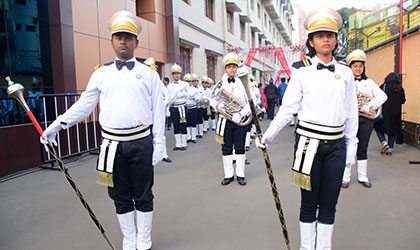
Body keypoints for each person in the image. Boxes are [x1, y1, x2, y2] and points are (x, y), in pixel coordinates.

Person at [40, 10, 165, 250]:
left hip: (141, 142)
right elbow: (84, 107)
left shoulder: (149, 75)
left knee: (144, 194)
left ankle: (144, 240)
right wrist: (55, 126)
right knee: (119, 196)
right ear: (112, 41)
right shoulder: (101, 73)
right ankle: (129, 240)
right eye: (118, 37)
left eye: (128, 37)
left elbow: (159, 112)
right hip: (111, 146)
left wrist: (159, 144)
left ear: (136, 42)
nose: (123, 42)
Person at [256, 8, 358, 250]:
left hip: (335, 146)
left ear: (335, 39)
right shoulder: (301, 72)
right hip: (307, 145)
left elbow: (351, 113)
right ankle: (306, 247)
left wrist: (351, 151)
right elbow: (288, 108)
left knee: (329, 203)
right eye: (319, 35)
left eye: (330, 35)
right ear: (311, 41)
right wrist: (268, 135)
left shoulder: (345, 73)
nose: (326, 39)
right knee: (309, 202)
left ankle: (323, 247)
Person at [341, 49, 387, 189]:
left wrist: (370, 105)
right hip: (348, 120)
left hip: (365, 119)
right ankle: (345, 177)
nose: (358, 69)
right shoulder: (344, 82)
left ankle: (363, 176)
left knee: (363, 147)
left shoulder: (370, 82)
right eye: (355, 66)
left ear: (363, 67)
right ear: (350, 68)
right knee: (348, 146)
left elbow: (383, 96)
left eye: (360, 66)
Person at [210, 53, 251, 186]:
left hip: (240, 119)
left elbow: (252, 102)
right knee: (226, 148)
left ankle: (240, 174)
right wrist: (220, 108)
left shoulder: (244, 83)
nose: (232, 69)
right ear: (225, 69)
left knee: (240, 147)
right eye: (229, 67)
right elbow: (212, 100)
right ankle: (228, 174)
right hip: (225, 120)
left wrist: (241, 114)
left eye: (234, 67)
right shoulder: (220, 84)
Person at [145, 58, 172, 163]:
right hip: (147, 113)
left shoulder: (158, 82)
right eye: (149, 68)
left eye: (153, 68)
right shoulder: (143, 81)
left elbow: (166, 94)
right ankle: (150, 155)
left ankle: (163, 154)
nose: (152, 71)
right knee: (148, 135)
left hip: (157, 113)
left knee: (161, 133)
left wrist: (162, 105)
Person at [374, 72, 406, 155]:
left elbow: (377, 98)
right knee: (393, 131)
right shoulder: (400, 88)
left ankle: (384, 143)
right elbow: (403, 100)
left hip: (384, 113)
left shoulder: (383, 86)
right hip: (396, 114)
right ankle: (390, 149)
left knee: (378, 128)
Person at [167, 64, 190, 150]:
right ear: (172, 75)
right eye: (174, 73)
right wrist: (168, 110)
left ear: (180, 74)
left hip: (182, 107)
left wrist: (183, 94)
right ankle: (178, 144)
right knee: (176, 125)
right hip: (174, 107)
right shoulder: (169, 86)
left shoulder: (185, 84)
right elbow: (168, 98)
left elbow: (190, 94)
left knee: (183, 125)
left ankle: (184, 143)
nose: (176, 75)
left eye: (178, 73)